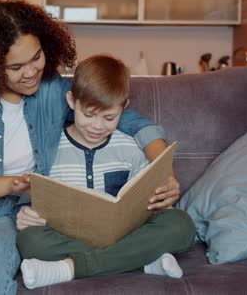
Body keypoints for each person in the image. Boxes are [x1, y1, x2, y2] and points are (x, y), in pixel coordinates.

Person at [0, 0, 179, 295]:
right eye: (15, 67)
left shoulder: (53, 91)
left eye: (36, 57)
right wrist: (13, 184)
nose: (31, 72)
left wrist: (164, 173)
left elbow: (130, 120)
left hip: (2, 218)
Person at [15, 54, 196, 290]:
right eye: (88, 114)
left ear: (124, 108)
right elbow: (32, 198)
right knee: (29, 240)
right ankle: (141, 262)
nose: (98, 126)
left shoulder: (130, 147)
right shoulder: (50, 149)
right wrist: (26, 214)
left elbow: (150, 200)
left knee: (182, 225)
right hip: (71, 236)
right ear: (71, 101)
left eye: (109, 117)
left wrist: (162, 198)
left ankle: (69, 268)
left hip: (126, 234)